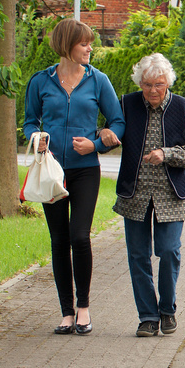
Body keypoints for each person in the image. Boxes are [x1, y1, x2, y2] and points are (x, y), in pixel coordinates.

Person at [23, 18, 124, 335]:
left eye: (90, 43)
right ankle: (66, 312)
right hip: (51, 173)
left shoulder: (98, 81)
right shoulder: (40, 82)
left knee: (79, 236)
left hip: (85, 172)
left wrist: (95, 143)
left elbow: (118, 121)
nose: (90, 48)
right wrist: (36, 137)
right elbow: (29, 122)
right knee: (59, 240)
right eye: (84, 43)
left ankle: (84, 308)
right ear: (67, 46)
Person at [114, 53, 185, 337]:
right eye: (147, 84)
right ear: (140, 83)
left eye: (159, 84)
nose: (153, 90)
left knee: (168, 250)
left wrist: (165, 154)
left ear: (168, 84)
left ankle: (167, 310)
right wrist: (103, 135)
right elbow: (111, 133)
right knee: (138, 255)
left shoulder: (182, 107)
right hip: (135, 191)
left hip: (172, 192)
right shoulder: (127, 104)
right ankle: (148, 316)